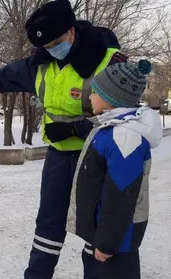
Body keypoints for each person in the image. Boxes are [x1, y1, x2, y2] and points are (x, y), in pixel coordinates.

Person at [0, 0, 128, 278]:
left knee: (95, 228)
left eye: (56, 42)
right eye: (46, 46)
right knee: (48, 224)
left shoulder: (109, 61)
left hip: (97, 158)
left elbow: (127, 117)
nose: (53, 49)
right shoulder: (41, 63)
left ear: (71, 31)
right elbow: (5, 77)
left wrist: (77, 129)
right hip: (58, 156)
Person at [66, 60, 161, 279]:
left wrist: (107, 243)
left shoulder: (125, 137)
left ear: (111, 98)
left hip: (115, 242)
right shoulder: (110, 129)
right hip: (102, 235)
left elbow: (121, 196)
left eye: (95, 92)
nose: (89, 97)